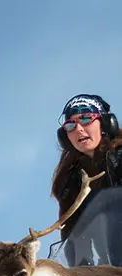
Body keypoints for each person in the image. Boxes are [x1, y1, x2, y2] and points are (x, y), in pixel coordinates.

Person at [51, 93, 122, 241]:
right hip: (113, 260)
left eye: (86, 118)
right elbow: (71, 237)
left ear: (105, 123)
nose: (78, 129)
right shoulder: (71, 181)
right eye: (70, 124)